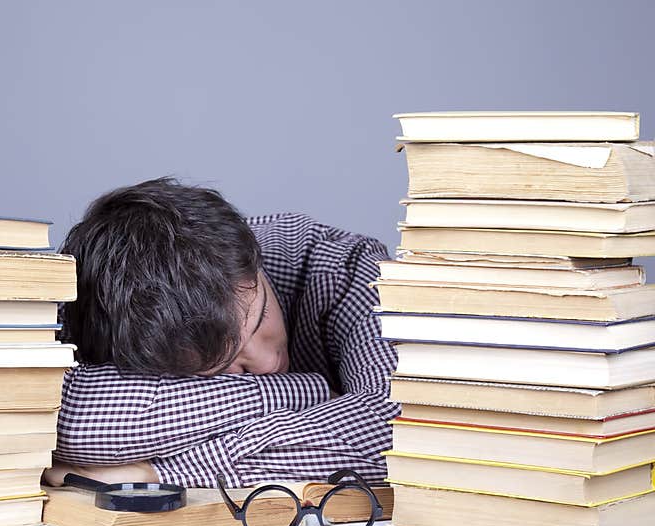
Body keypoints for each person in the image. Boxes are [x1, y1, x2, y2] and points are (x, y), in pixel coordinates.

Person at [42, 177, 399, 489]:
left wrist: (158, 471)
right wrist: (309, 391)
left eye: (261, 320)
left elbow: (400, 428)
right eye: (223, 370)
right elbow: (64, 414)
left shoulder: (346, 267)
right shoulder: (98, 301)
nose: (267, 362)